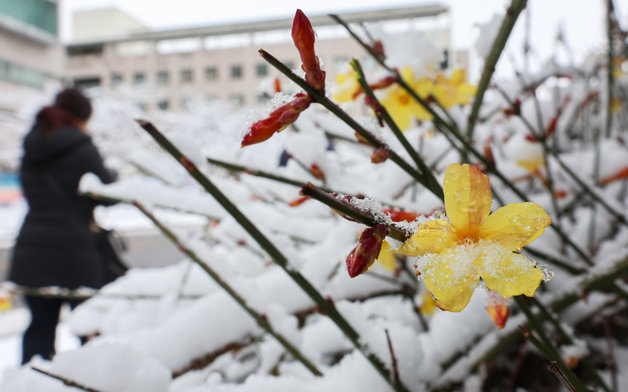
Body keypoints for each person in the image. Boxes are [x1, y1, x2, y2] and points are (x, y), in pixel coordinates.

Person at [8, 87, 116, 364]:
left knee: (39, 331)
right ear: (81, 117)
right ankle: (92, 380)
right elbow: (108, 192)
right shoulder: (82, 147)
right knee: (89, 329)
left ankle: (31, 383)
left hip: (31, 250)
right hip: (76, 251)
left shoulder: (31, 146)